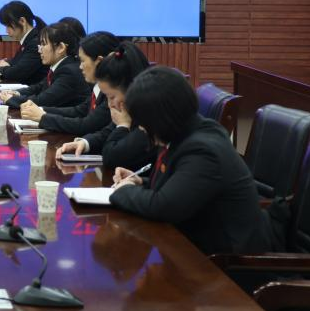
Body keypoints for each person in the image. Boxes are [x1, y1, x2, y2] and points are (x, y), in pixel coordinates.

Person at [107, 67, 275, 256]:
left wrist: (123, 191)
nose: (142, 129)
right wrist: (140, 181)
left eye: (143, 121)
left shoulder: (202, 150)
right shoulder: (188, 132)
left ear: (160, 118)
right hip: (197, 247)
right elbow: (181, 187)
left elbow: (164, 207)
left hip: (227, 265)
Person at [55, 41, 153, 173]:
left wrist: (123, 126)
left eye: (111, 97)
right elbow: (107, 132)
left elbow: (111, 157)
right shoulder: (129, 107)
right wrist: (85, 143)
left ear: (131, 89)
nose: (109, 104)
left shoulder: (150, 118)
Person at [19, 31, 118, 136]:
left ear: (99, 61)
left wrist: (43, 117)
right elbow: (79, 111)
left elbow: (86, 125)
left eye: (83, 61)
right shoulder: (98, 86)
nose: (80, 67)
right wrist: (40, 110)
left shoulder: (114, 92)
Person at [0, 21, 91, 109]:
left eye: (43, 44)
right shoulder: (61, 66)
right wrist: (16, 93)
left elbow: (42, 101)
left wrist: (10, 99)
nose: (39, 50)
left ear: (61, 48)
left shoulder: (69, 72)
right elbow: (38, 87)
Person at [0, 1, 46, 85]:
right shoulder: (29, 39)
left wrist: (1, 68)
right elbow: (18, 62)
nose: (6, 31)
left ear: (22, 21)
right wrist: (5, 63)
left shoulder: (36, 43)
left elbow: (17, 73)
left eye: (8, 26)